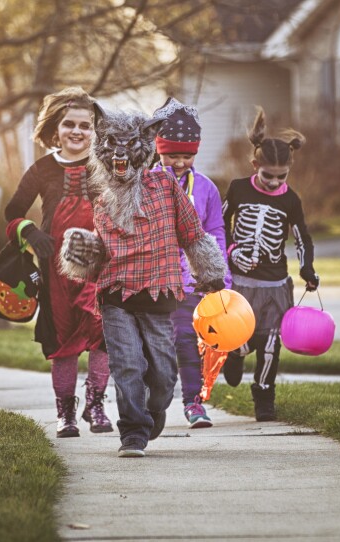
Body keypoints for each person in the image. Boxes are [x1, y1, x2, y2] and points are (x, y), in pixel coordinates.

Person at [58, 104, 227, 458]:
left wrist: (210, 274)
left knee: (164, 375)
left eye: (128, 147)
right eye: (112, 147)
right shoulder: (102, 196)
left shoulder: (165, 184)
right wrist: (82, 252)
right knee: (128, 364)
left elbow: (193, 233)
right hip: (116, 294)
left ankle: (152, 413)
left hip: (160, 293)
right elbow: (102, 250)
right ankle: (133, 433)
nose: (120, 156)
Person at [3, 87, 113, 438]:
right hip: (55, 271)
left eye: (85, 125)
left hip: (100, 265)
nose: (77, 132)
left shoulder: (106, 164)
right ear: (56, 128)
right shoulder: (42, 169)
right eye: (69, 125)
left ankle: (95, 405)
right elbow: (12, 212)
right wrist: (30, 232)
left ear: (95, 131)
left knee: (102, 336)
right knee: (61, 341)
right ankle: (64, 412)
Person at [220, 107, 319, 421]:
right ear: (255, 165)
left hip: (275, 285)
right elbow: (218, 226)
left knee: (271, 342)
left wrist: (307, 269)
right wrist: (231, 251)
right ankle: (234, 354)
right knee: (241, 336)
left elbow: (302, 236)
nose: (275, 182)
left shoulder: (290, 199)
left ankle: (264, 395)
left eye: (282, 177)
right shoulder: (238, 189)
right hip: (240, 283)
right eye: (268, 176)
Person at [150, 97, 231, 429]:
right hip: (152, 282)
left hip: (189, 284)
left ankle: (193, 403)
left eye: (186, 155)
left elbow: (215, 232)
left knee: (186, 340)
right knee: (154, 349)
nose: (179, 162)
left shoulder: (207, 189)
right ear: (158, 150)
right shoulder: (146, 182)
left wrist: (219, 278)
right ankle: (152, 404)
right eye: (172, 155)